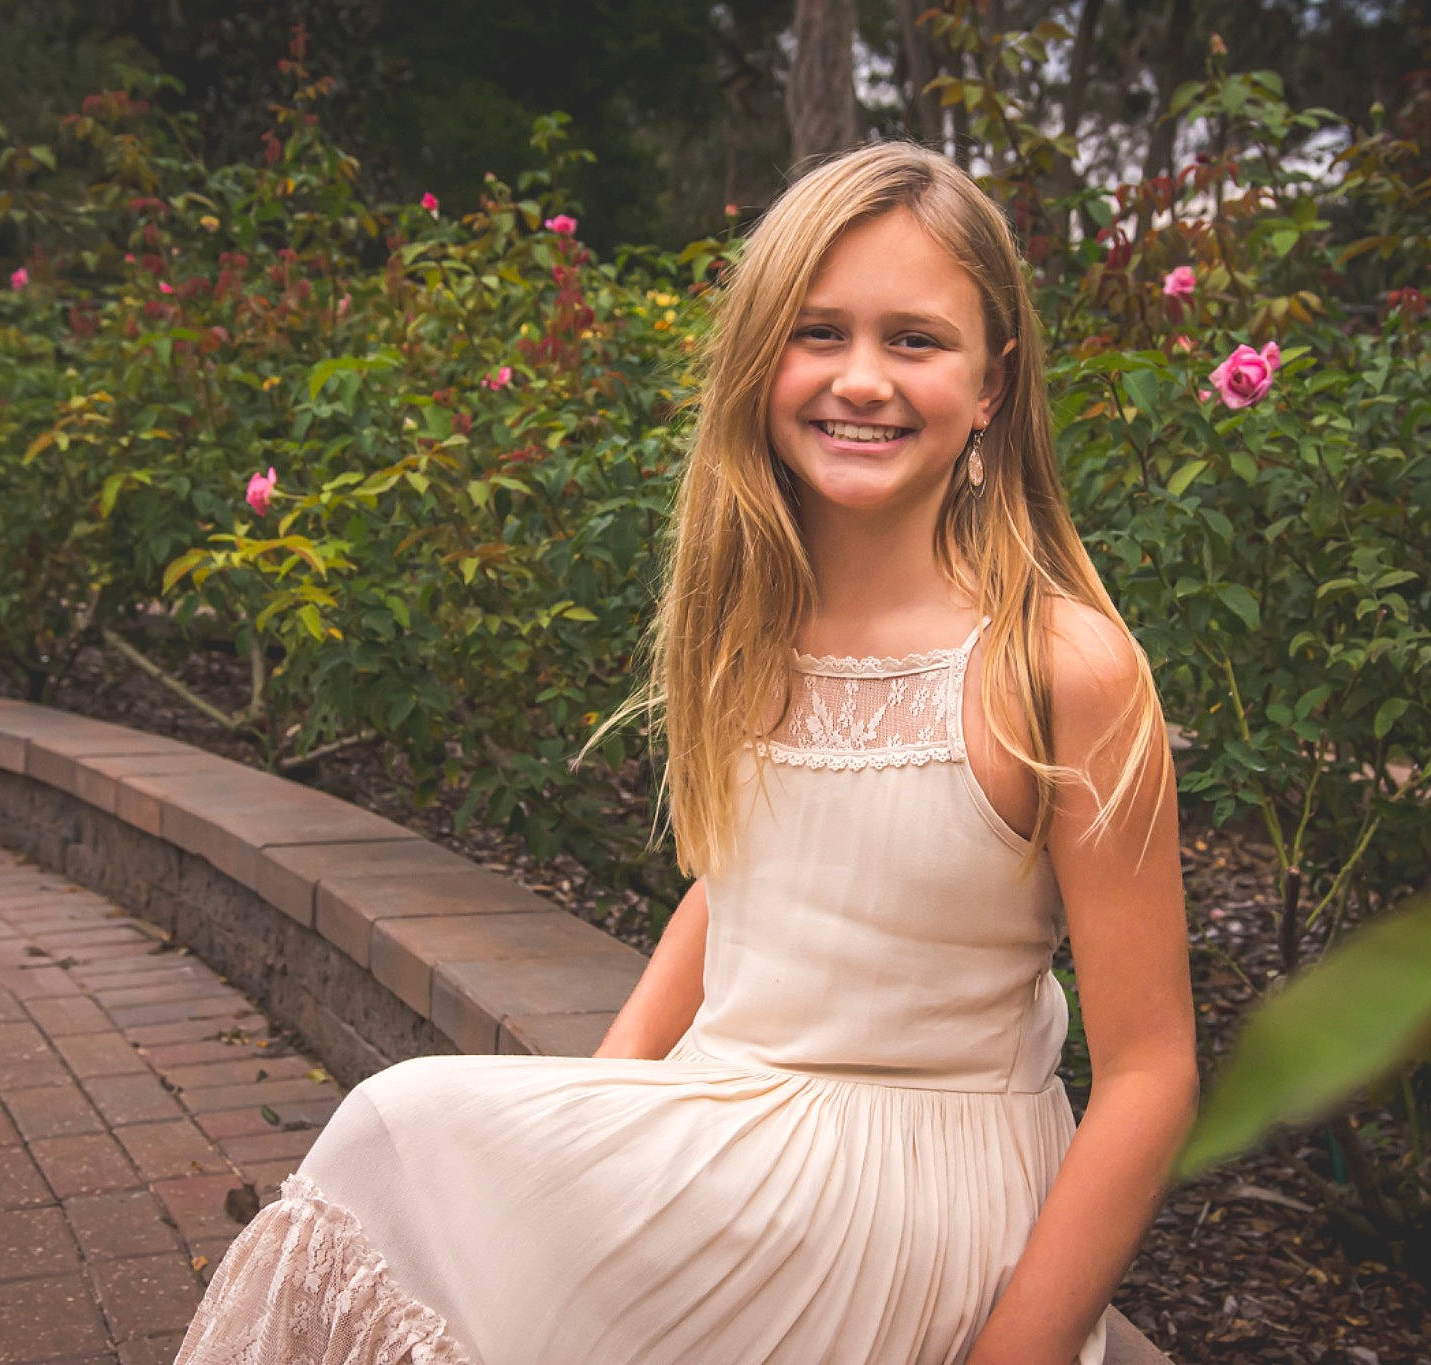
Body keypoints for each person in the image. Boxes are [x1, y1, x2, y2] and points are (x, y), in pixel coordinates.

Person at [173, 140, 1199, 1365]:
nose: (860, 379)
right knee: (405, 1150)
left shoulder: (1058, 666)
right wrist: (604, 1104)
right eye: (817, 333)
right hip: (723, 1129)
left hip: (912, 1187)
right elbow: (738, 888)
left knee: (399, 1115)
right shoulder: (750, 626)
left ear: (991, 384)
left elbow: (1150, 1073)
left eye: (914, 341)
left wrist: (1013, 1356)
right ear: (760, 361)